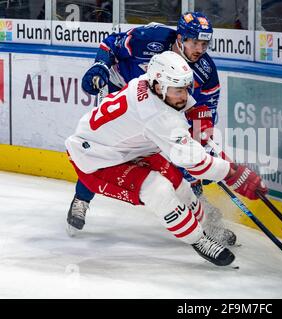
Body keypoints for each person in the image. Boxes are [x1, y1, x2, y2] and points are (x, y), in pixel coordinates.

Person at [65, 52, 267, 266]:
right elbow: (197, 165)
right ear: (159, 86)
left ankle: (208, 226)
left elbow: (187, 104)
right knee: (158, 189)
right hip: (96, 159)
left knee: (180, 185)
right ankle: (199, 239)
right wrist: (233, 173)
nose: (183, 95)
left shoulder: (145, 81)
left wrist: (200, 118)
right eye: (178, 90)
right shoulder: (158, 116)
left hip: (129, 148)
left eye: (185, 89)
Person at [71, 12, 222, 234]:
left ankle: (200, 211)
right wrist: (101, 66)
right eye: (195, 42)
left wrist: (203, 143)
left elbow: (204, 110)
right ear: (180, 38)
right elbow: (111, 44)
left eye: (204, 44)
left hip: (159, 107)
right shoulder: (150, 38)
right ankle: (81, 199)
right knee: (105, 149)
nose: (200, 49)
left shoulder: (205, 71)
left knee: (184, 152)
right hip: (122, 93)